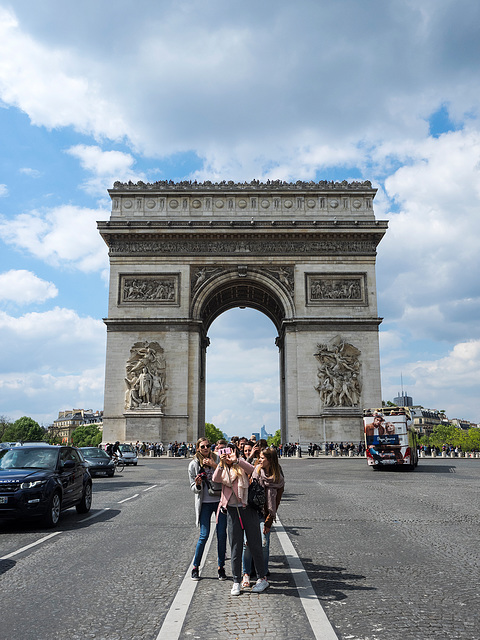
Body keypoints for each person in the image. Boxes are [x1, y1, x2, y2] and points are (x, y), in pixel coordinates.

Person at [212, 444, 269, 596]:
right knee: (236, 547)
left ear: (236, 453)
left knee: (255, 544)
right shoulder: (223, 468)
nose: (228, 455)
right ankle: (236, 581)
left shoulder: (241, 464)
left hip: (248, 510)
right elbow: (215, 478)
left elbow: (252, 470)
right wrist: (221, 463)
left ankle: (262, 578)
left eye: (230, 452)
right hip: (231, 511)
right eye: (225, 453)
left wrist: (236, 460)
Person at [242, 447, 284, 587]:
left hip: (265, 513)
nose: (259, 460)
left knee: (264, 543)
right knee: (247, 544)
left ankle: (263, 574)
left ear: (270, 460)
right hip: (252, 510)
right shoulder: (256, 471)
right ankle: (246, 574)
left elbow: (276, 501)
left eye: (262, 458)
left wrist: (269, 521)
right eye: (259, 457)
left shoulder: (278, 478)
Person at [188, 437, 227, 581]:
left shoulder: (218, 460)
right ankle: (195, 567)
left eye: (208, 446)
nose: (205, 448)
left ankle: (221, 567)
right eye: (203, 446)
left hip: (219, 502)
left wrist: (214, 465)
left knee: (222, 535)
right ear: (198, 448)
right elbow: (193, 488)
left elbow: (227, 477)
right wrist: (198, 484)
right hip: (204, 503)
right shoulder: (193, 465)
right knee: (204, 535)